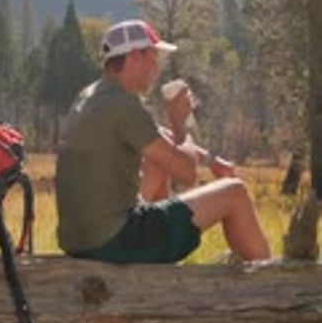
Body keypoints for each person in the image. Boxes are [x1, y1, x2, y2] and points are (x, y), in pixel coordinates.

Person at [55, 18, 271, 264]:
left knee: (157, 162)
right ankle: (270, 286)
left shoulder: (91, 96)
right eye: (153, 58)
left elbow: (157, 137)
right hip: (115, 242)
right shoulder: (124, 105)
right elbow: (188, 173)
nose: (156, 68)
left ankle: (158, 268)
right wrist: (180, 122)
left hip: (81, 242)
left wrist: (211, 160)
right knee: (235, 192)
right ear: (135, 56)